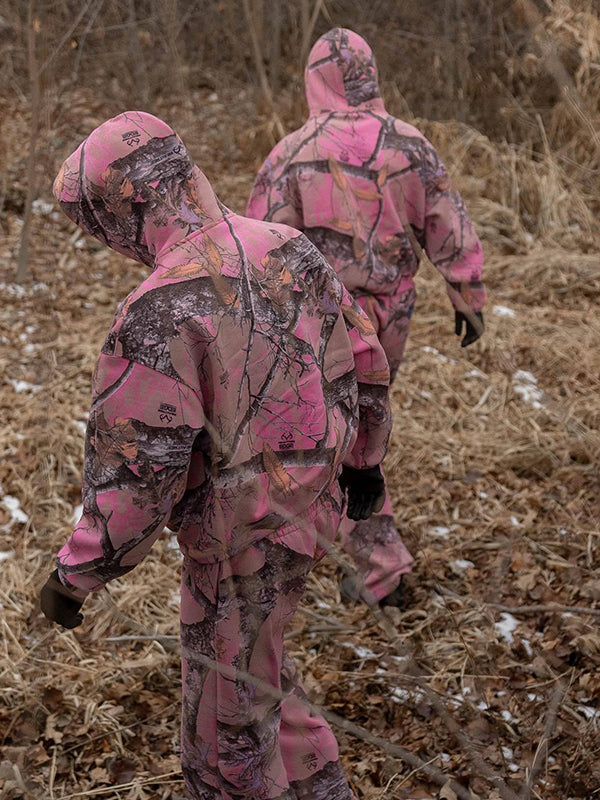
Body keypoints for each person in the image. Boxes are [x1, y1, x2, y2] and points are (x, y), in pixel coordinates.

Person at [40, 111, 392, 800]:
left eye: (98, 222)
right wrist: (364, 461)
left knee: (225, 743)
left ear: (125, 209)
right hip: (312, 515)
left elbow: (139, 473)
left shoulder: (156, 312)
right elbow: (365, 358)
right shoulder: (290, 249)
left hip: (237, 550)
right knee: (263, 670)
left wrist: (75, 575)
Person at [246, 27, 486, 608]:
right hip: (393, 315)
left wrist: (260, 325)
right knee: (359, 432)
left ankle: (378, 566)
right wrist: (467, 296)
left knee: (337, 437)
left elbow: (263, 245)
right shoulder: (410, 144)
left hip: (322, 322)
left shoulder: (294, 151)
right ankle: (362, 554)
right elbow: (447, 222)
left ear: (314, 80)